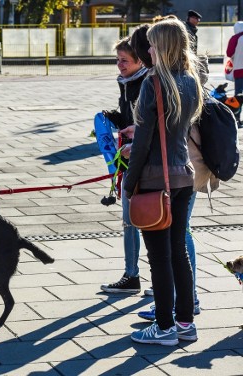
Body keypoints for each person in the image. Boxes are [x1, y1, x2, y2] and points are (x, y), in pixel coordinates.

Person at [121, 18, 203, 346]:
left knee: (159, 257)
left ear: (165, 46)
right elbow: (172, 131)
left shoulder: (154, 83)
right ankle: (186, 323)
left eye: (153, 44)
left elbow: (142, 143)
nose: (149, 49)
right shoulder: (190, 81)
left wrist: (129, 181)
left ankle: (164, 327)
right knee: (178, 250)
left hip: (155, 179)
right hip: (183, 175)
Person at [99, 36, 147, 294]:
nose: (119, 65)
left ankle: (133, 276)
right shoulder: (128, 83)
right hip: (131, 156)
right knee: (133, 220)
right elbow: (131, 118)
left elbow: (148, 124)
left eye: (124, 60)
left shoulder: (144, 83)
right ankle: (138, 274)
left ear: (140, 60)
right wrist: (112, 118)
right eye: (117, 60)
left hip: (139, 160)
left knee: (134, 221)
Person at [227, 21, 243, 124]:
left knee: (238, 96)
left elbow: (229, 53)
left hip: (239, 70)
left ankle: (237, 118)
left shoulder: (235, 38)